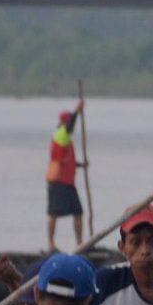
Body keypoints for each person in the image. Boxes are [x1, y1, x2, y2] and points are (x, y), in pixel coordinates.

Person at [46, 102, 86, 252]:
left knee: (78, 212)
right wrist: (77, 110)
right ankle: (51, 244)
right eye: (69, 121)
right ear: (64, 122)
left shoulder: (66, 138)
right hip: (58, 182)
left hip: (68, 183)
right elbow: (70, 125)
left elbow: (67, 160)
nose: (73, 127)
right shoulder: (61, 134)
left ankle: (80, 243)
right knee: (53, 212)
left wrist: (81, 165)